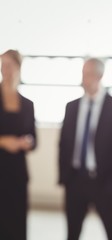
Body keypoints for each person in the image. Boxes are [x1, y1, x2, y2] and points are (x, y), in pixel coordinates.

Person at [58, 58, 112, 240]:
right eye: (83, 74)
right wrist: (64, 177)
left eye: (89, 74)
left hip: (104, 182)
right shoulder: (72, 106)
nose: (85, 79)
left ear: (100, 76)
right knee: (72, 233)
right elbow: (64, 144)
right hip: (75, 180)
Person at [0, 49, 37, 240]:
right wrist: (4, 141)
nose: (4, 69)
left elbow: (33, 139)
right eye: (2, 65)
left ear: (18, 67)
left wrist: (26, 142)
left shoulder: (27, 104)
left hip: (17, 174)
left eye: (9, 65)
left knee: (16, 223)